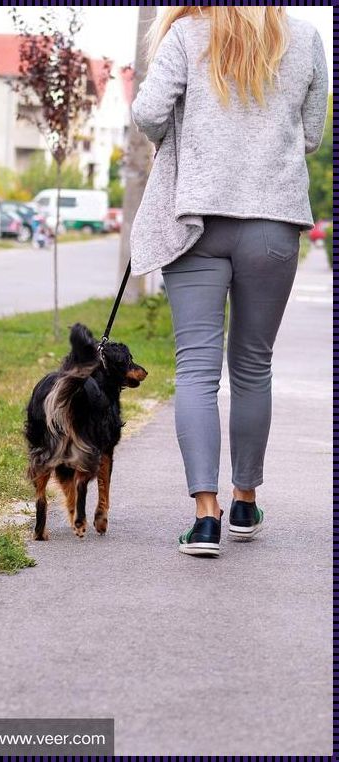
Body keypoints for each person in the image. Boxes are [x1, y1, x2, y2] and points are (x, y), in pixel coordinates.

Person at [131, 7, 328, 557]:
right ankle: (245, 500)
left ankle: (205, 518)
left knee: (196, 369)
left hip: (195, 219)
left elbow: (148, 111)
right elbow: (311, 134)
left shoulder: (186, 34)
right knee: (252, 366)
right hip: (272, 222)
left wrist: (190, 130)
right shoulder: (307, 38)